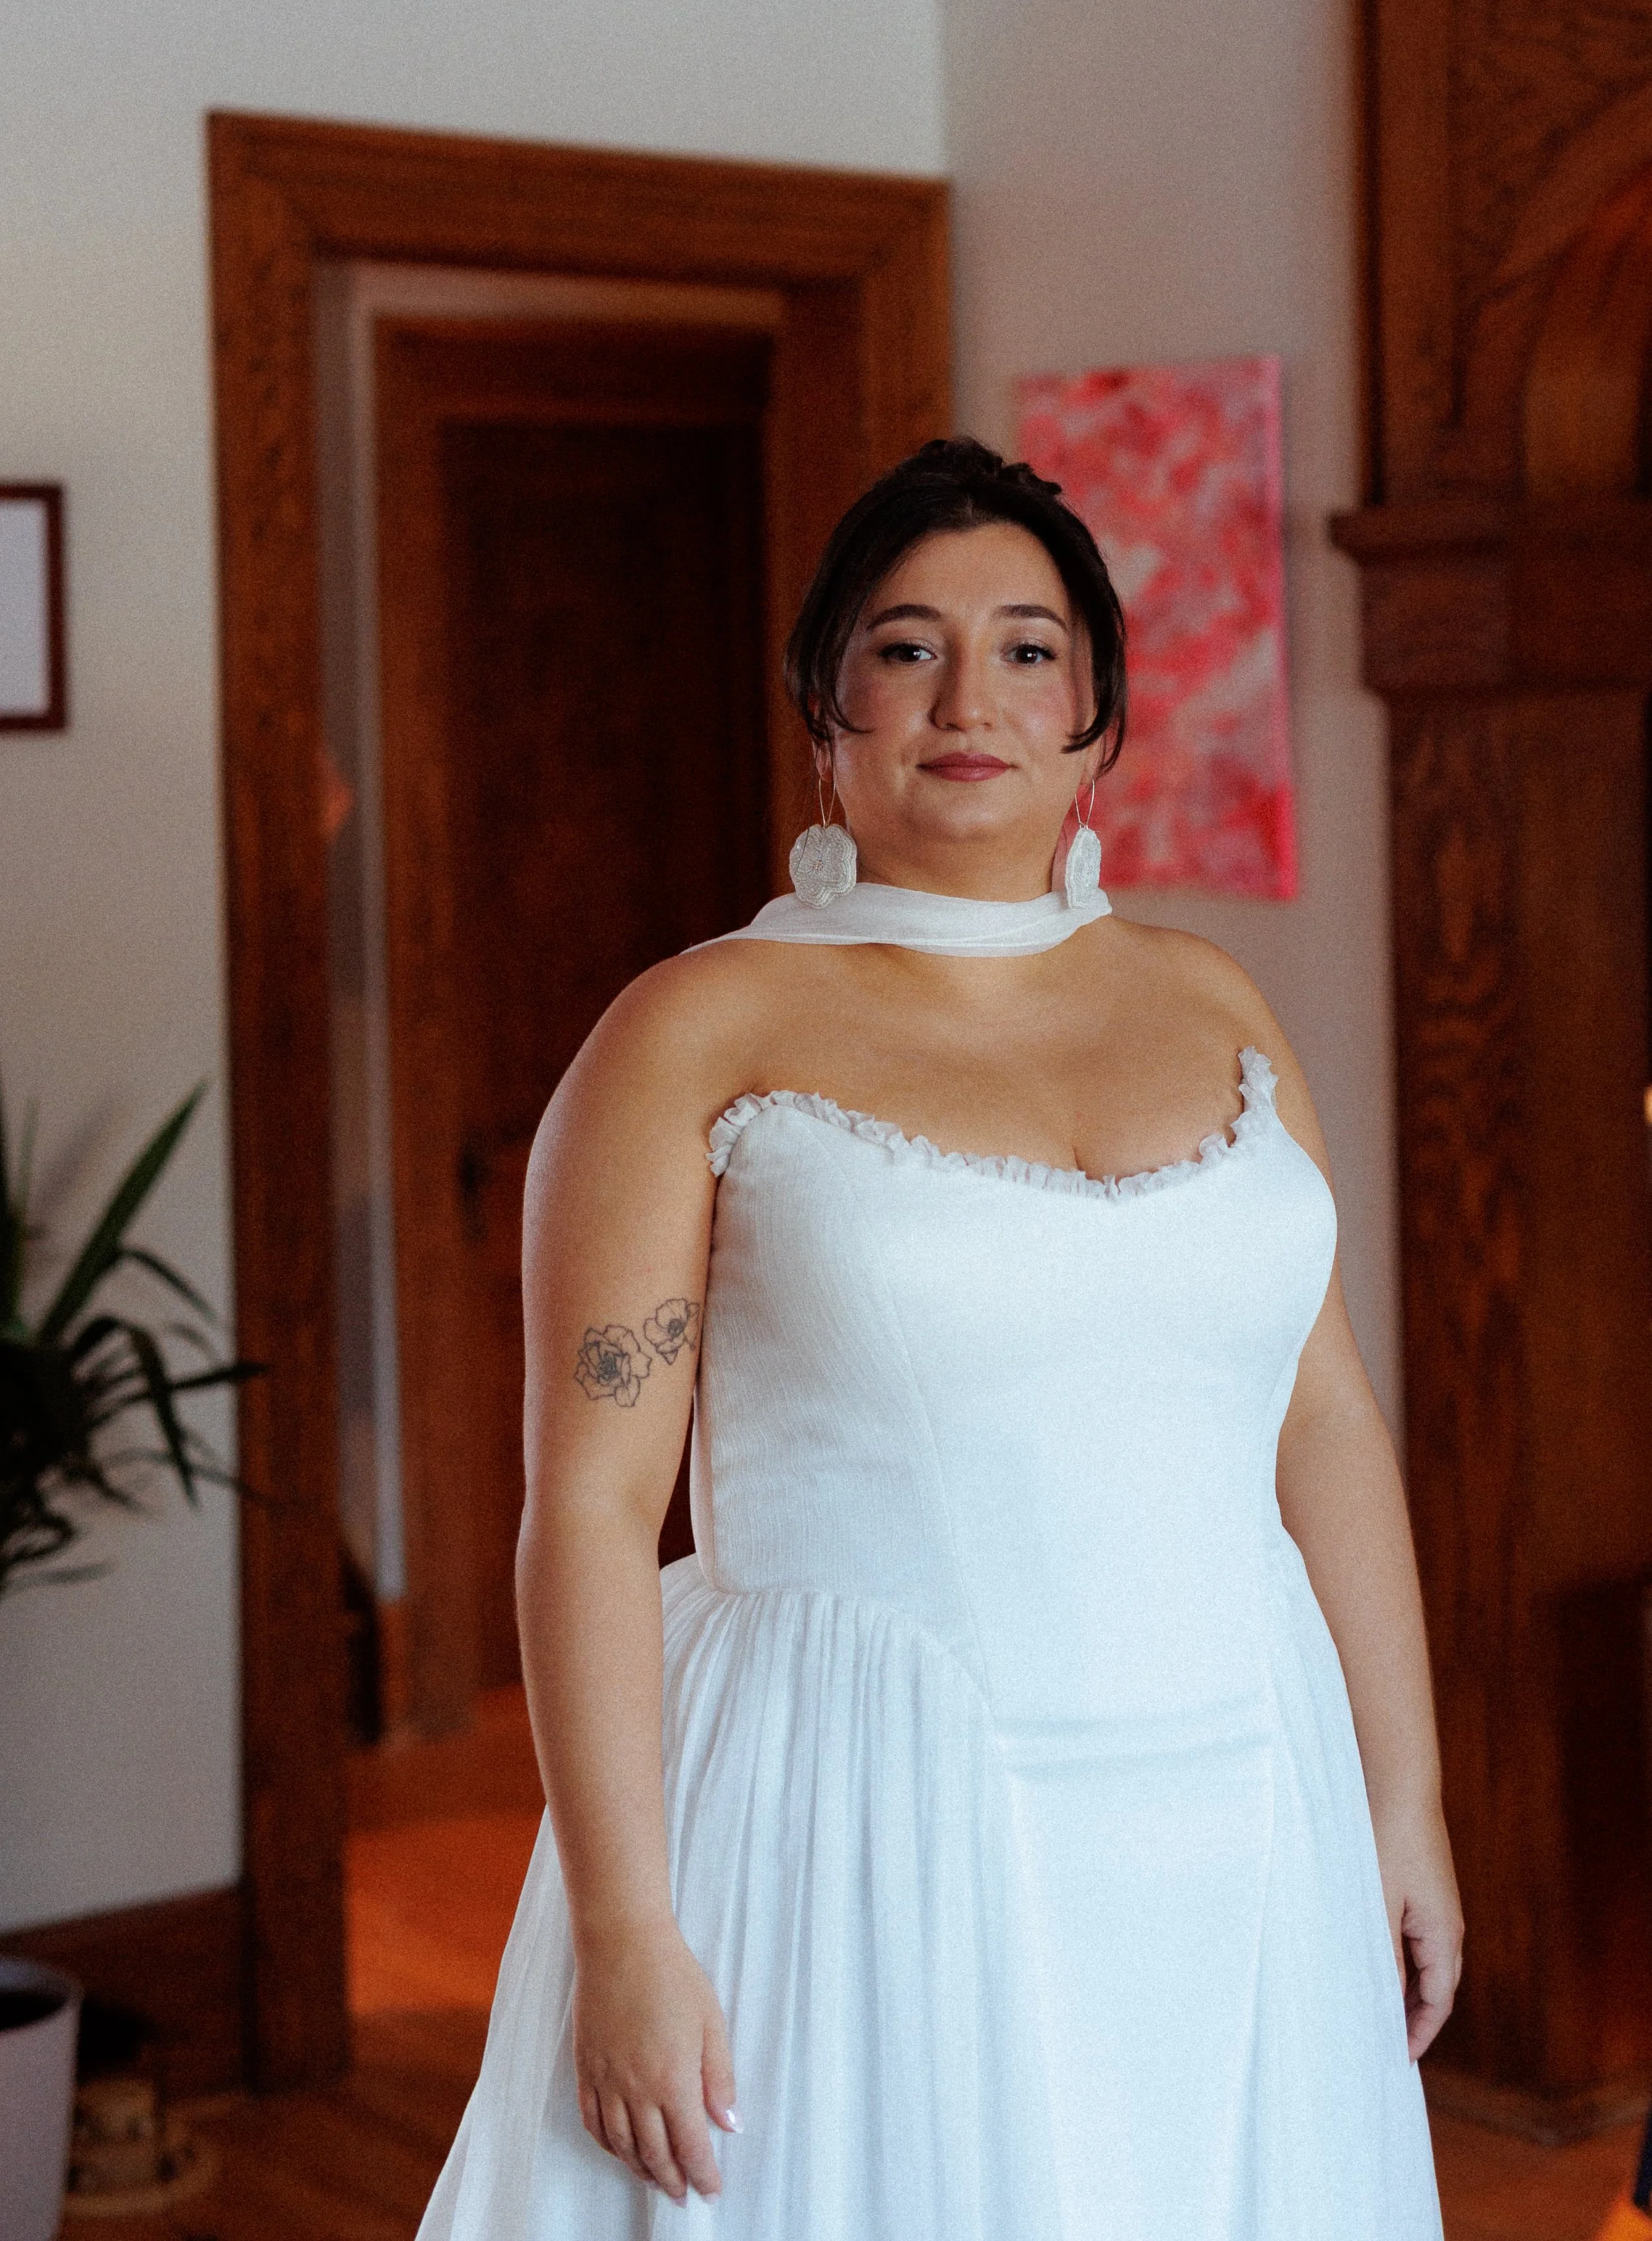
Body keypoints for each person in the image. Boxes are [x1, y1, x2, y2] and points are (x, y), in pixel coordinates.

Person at [418, 437, 1459, 2240]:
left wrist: (1406, 1794)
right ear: (825, 712)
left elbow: (1326, 1422)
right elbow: (588, 1508)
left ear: (1095, 719)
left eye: (1026, 646)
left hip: (1238, 1797)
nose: (966, 693)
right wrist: (622, 1925)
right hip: (862, 1822)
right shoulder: (696, 1027)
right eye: (903, 648)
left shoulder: (1207, 997)